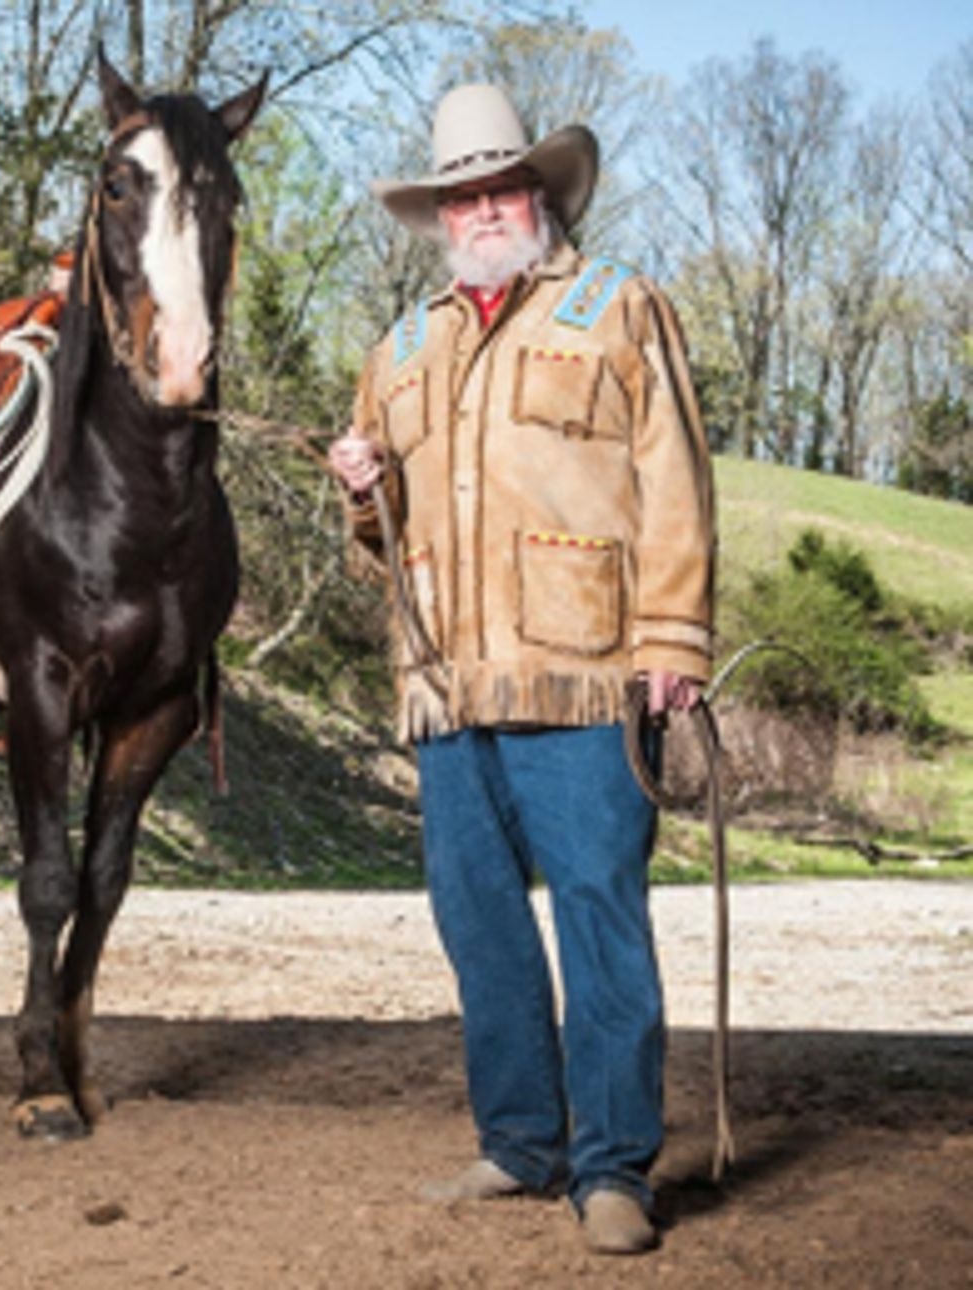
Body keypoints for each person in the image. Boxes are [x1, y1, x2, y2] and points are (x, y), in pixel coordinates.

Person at [328, 83, 714, 1256]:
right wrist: (362, 490)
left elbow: (676, 481)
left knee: (600, 912)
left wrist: (674, 643)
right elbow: (376, 544)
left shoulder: (620, 308)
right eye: (461, 195)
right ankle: (518, 1145)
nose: (482, 209)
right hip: (446, 681)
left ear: (539, 195)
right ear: (439, 216)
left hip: (586, 672)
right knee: (477, 920)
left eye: (501, 187)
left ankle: (611, 1170)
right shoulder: (396, 349)